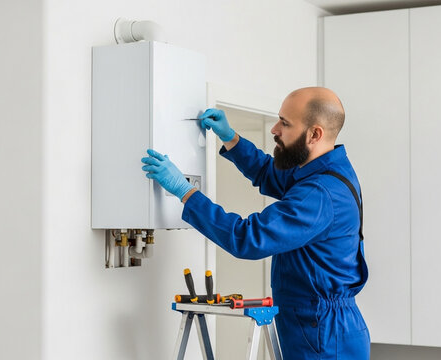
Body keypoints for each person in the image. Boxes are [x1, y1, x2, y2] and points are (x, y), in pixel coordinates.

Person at [141, 87, 370, 359]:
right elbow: (269, 173)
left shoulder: (320, 194)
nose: (275, 129)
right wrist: (231, 139)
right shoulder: (321, 170)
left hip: (324, 334)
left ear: (314, 134)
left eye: (285, 123)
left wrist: (185, 192)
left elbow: (247, 238)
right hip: (317, 324)